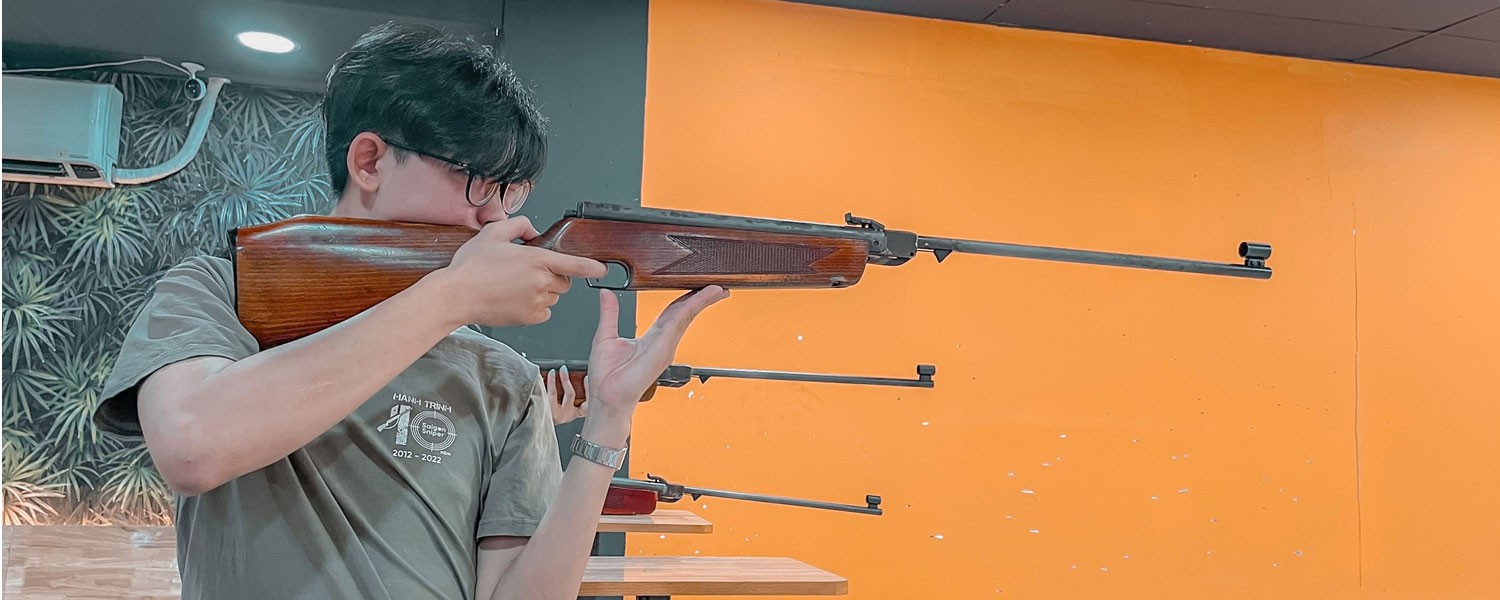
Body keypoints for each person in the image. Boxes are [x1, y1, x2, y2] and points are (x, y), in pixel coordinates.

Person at [94, 21, 728, 600]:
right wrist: (452, 295)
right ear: (370, 161)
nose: (495, 216)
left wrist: (609, 422)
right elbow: (193, 447)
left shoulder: (501, 378)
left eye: (511, 191)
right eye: (478, 181)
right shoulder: (218, 294)